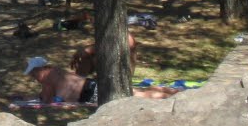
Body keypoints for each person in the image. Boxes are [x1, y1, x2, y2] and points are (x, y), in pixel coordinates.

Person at [23, 57, 179, 104]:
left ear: (40, 70)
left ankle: (174, 96)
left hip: (90, 93)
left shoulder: (47, 78)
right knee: (137, 92)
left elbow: (48, 99)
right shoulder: (55, 71)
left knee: (138, 96)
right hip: (90, 85)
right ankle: (174, 91)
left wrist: (43, 98)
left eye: (33, 74)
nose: (33, 77)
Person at [70, 33, 138, 77]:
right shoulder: (109, 36)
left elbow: (118, 50)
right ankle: (78, 80)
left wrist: (89, 50)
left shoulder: (127, 37)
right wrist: (85, 51)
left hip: (119, 75)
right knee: (87, 58)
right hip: (108, 66)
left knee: (89, 55)